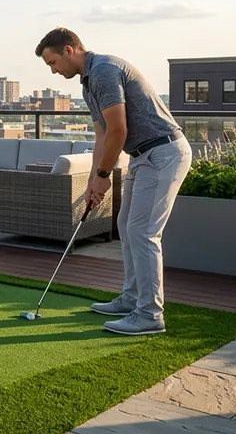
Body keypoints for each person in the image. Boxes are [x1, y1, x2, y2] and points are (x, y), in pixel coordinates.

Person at [35, 27, 192, 335]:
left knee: (143, 232)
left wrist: (105, 176)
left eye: (53, 62)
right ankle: (132, 298)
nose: (53, 71)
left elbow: (119, 130)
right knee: (126, 226)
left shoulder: (104, 71)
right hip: (142, 156)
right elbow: (102, 135)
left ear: (69, 50)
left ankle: (150, 315)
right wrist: (93, 180)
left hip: (163, 153)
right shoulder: (88, 84)